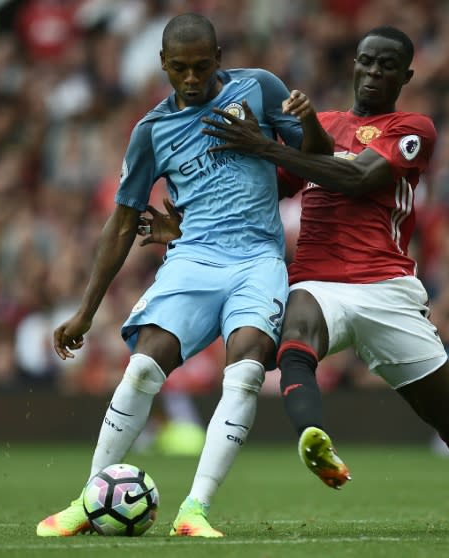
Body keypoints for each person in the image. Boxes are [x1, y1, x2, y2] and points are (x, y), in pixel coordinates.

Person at [198, 25, 449, 531]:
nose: (374, 72)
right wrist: (193, 218)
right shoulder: (318, 123)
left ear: (406, 75)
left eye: (387, 65)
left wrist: (268, 148)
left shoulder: (413, 127)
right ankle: (314, 436)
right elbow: (264, 191)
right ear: (354, 63)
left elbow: (358, 179)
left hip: (386, 287)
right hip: (318, 279)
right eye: (367, 61)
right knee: (296, 334)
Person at [36, 12, 331, 538]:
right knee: (143, 367)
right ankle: (88, 499)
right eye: (180, 69)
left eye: (200, 67)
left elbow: (320, 159)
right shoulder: (151, 131)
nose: (191, 80)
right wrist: (84, 312)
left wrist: (305, 123)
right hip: (192, 258)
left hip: (258, 261)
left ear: (218, 59)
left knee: (244, 371)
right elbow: (124, 219)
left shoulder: (257, 89)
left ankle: (194, 511)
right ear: (163, 65)